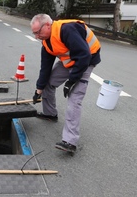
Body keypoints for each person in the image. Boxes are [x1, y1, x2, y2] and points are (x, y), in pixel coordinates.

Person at [30, 14, 101, 153]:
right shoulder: (46, 42)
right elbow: (45, 68)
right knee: (48, 83)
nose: (37, 37)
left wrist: (71, 81)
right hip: (70, 61)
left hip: (86, 61)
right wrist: (38, 90)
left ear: (48, 25)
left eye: (38, 32)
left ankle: (70, 141)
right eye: (34, 33)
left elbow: (84, 55)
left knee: (74, 99)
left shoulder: (67, 30)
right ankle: (50, 114)